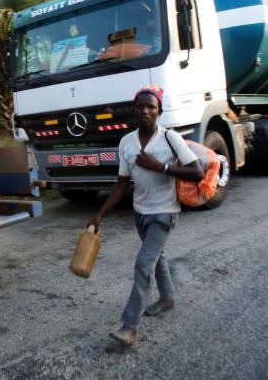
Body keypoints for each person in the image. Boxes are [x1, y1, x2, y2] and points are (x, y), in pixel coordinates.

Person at [87, 85, 204, 347]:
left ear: (159, 111)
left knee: (143, 264)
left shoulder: (170, 138)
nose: (146, 111)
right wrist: (100, 214)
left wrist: (160, 166)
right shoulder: (126, 143)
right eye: (141, 106)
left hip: (165, 212)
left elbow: (196, 172)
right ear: (134, 110)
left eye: (151, 106)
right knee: (156, 256)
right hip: (140, 212)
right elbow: (121, 184)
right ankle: (167, 298)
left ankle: (129, 327)